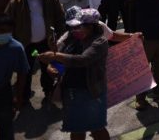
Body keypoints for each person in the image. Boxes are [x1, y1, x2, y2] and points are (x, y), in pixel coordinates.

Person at [38, 8, 110, 140]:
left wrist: (55, 55)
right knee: (76, 130)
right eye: (75, 26)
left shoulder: (100, 42)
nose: (76, 30)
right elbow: (60, 58)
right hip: (71, 92)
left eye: (81, 26)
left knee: (97, 129)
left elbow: (82, 60)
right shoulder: (71, 37)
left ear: (92, 26)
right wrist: (51, 66)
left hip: (91, 92)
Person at [3, 0, 65, 104]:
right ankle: (23, 96)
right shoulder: (16, 2)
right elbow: (6, 22)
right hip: (26, 44)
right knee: (25, 70)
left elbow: (60, 18)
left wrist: (60, 37)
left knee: (48, 68)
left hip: (46, 42)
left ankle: (48, 92)